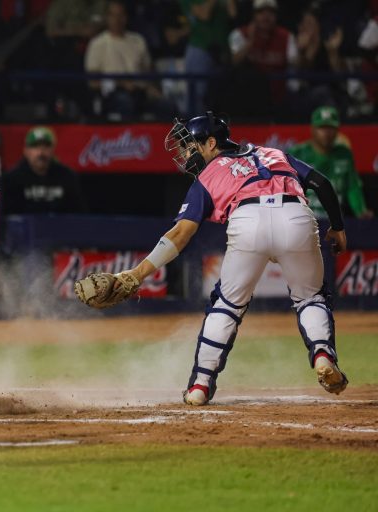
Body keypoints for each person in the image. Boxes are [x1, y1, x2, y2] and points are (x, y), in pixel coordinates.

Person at [98, 111, 349, 406]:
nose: (186, 154)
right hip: (297, 216)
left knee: (227, 306)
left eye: (190, 146)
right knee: (310, 298)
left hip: (248, 219)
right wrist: (338, 227)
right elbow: (322, 183)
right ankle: (322, 356)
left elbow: (180, 234)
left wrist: (138, 273)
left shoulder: (208, 175)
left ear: (211, 143)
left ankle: (200, 386)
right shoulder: (273, 153)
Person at [84, 0, 175, 121]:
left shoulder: (138, 40)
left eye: (121, 15)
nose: (117, 20)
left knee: (167, 106)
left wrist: (153, 88)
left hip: (140, 91)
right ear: (107, 18)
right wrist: (121, 84)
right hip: (113, 93)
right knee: (125, 102)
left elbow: (148, 71)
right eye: (113, 15)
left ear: (126, 17)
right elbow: (92, 82)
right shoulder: (97, 44)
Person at [288, 106, 373, 219]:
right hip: (304, 219)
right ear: (313, 129)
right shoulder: (297, 153)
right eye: (322, 128)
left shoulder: (344, 154)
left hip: (335, 220)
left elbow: (352, 187)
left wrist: (360, 211)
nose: (327, 133)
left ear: (337, 130)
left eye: (331, 128)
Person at [0, 126, 86, 215]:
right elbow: (6, 215)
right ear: (26, 151)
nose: (41, 153)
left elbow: (79, 214)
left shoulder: (68, 177)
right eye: (35, 146)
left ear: (53, 150)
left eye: (46, 146)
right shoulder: (11, 179)